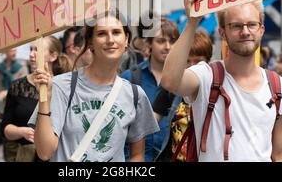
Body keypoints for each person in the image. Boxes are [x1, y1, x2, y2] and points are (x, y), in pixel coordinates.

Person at [161, 0, 282, 162]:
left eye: (251, 24)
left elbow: (279, 154)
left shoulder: (278, 86)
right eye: (236, 26)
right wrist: (192, 22)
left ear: (261, 30)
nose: (245, 31)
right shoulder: (206, 76)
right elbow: (170, 81)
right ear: (223, 33)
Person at [29, 9, 159, 162]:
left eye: (116, 32)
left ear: (126, 40)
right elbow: (44, 152)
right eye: (101, 34)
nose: (110, 39)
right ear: (90, 42)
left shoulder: (135, 95)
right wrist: (45, 99)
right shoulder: (61, 86)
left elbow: (137, 155)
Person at [0, 36, 72, 162]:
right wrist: (21, 131)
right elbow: (5, 128)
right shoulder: (18, 86)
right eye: (30, 49)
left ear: (53, 56)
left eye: (37, 50)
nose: (32, 54)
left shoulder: (63, 87)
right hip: (23, 156)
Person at [121, 17, 179, 162]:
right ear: (149, 43)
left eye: (172, 41)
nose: (167, 46)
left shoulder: (184, 80)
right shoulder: (131, 77)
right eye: (161, 41)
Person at [153, 30, 212, 162]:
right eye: (187, 61)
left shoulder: (217, 91)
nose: (192, 67)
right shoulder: (171, 91)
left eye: (198, 62)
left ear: (208, 61)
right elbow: (149, 124)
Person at [0, 48, 28, 117]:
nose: (14, 53)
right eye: (11, 50)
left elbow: (22, 87)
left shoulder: (21, 68)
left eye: (15, 50)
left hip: (17, 105)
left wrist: (7, 92)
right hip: (3, 107)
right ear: (5, 52)